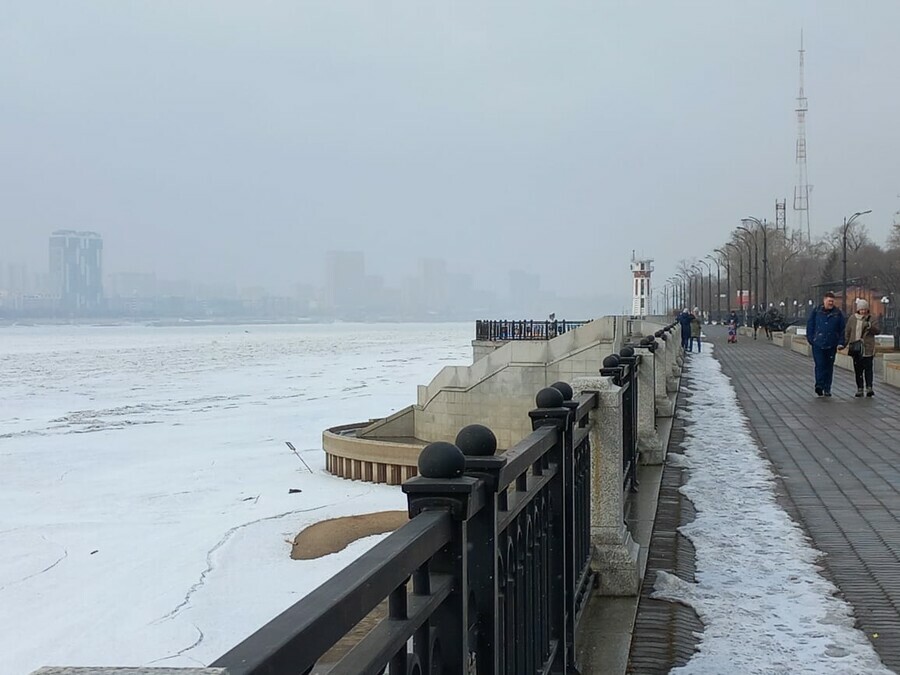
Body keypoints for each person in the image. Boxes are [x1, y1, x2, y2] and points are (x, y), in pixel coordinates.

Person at [806, 290, 846, 397]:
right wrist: (811, 339)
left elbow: (842, 329)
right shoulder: (816, 312)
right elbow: (810, 325)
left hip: (831, 344)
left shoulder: (838, 314)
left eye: (832, 301)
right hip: (818, 343)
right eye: (829, 301)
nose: (831, 303)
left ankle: (827, 388)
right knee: (819, 365)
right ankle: (819, 385)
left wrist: (841, 342)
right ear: (824, 300)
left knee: (829, 366)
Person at [844, 298, 879, 397]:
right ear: (858, 309)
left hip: (867, 348)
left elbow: (877, 331)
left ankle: (869, 387)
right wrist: (844, 344)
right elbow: (847, 331)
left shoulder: (872, 318)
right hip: (856, 348)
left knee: (868, 368)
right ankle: (860, 388)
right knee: (858, 369)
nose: (863, 311)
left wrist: (870, 327)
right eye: (861, 309)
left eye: (865, 309)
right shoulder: (852, 319)